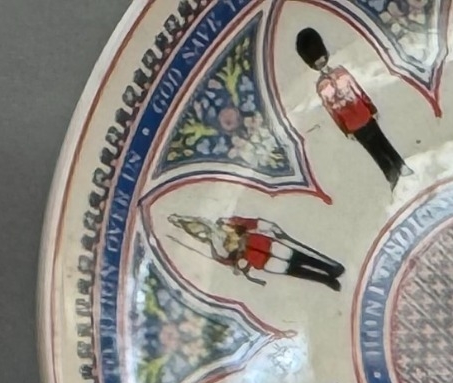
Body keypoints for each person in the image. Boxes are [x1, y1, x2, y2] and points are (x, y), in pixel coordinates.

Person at [296, 26, 405, 188]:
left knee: (381, 141)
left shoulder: (341, 72)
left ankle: (400, 165)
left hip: (364, 114)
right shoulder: (321, 86)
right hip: (353, 124)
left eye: (321, 60)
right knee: (373, 149)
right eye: (317, 62)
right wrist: (345, 130)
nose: (321, 64)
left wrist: (371, 108)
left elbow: (358, 90)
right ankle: (390, 173)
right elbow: (332, 112)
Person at [171, 211, 345, 291]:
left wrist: (267, 226)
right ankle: (325, 279)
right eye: (198, 233)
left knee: (301, 258)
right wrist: (239, 267)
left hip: (265, 244)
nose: (202, 233)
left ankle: (329, 268)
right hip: (260, 260)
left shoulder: (228, 222)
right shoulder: (216, 251)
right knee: (296, 271)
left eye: (200, 228)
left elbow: (250, 223)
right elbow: (231, 263)